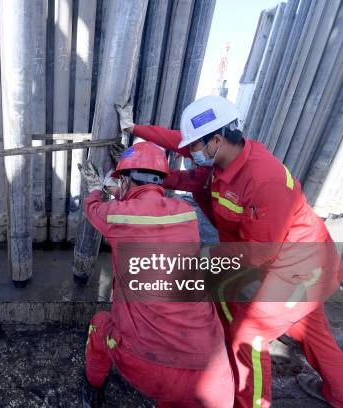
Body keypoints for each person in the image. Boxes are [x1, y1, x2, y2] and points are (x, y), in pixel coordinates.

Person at [116, 96, 343, 407]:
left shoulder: (262, 181)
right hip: (298, 259)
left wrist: (203, 259)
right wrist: (135, 130)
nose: (189, 152)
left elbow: (258, 255)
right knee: (312, 330)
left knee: (248, 335)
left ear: (216, 140)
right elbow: (178, 142)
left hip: (301, 268)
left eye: (194, 147)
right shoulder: (224, 158)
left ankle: (250, 402)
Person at [78, 141, 234, 407]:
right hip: (215, 376)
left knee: (100, 324)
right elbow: (146, 212)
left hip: (150, 368)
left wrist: (95, 189)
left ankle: (92, 388)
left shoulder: (116, 215)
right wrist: (122, 190)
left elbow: (94, 209)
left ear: (125, 181)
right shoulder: (186, 214)